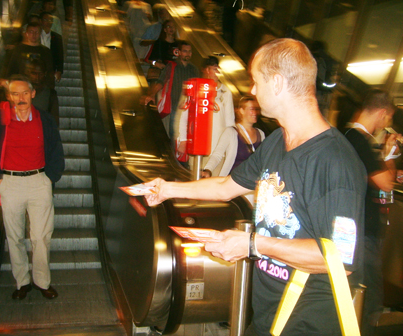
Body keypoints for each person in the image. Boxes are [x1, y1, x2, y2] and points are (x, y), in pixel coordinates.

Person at [144, 38, 366, 336]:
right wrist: (168, 189)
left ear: (276, 82)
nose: (253, 90)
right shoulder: (277, 141)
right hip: (268, 317)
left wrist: (251, 245)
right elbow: (226, 186)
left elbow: (341, 258)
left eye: (256, 81)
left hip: (307, 323)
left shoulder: (335, 162)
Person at [0, 75, 64, 300]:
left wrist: (50, 178)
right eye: (15, 94)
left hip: (39, 182)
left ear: (33, 94)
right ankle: (22, 282)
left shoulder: (45, 119)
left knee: (41, 236)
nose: (20, 98)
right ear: (9, 96)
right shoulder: (1, 120)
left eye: (25, 93)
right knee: (14, 236)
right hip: (10, 183)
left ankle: (42, 281)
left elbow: (57, 149)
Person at [344, 89, 403, 336]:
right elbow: (386, 183)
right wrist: (391, 155)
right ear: (381, 113)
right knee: (370, 298)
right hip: (364, 230)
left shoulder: (347, 136)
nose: (386, 126)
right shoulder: (360, 139)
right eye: (387, 119)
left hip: (352, 226)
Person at [177, 56, 235, 168]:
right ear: (207, 70)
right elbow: (184, 117)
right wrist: (183, 140)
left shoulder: (225, 92)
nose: (217, 72)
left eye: (218, 69)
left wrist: (228, 147)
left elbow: (229, 122)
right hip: (197, 147)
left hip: (218, 150)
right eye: (214, 69)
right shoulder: (195, 88)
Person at [144, 40, 199, 139]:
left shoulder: (194, 69)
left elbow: (198, 88)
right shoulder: (172, 66)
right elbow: (161, 82)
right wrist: (151, 95)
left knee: (187, 135)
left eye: (190, 51)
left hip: (189, 108)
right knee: (174, 135)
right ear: (179, 52)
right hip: (175, 106)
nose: (188, 54)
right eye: (185, 51)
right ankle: (174, 152)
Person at [202, 96, 264, 178]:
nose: (255, 112)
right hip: (233, 181)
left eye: (256, 109)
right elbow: (217, 154)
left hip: (252, 182)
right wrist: (208, 170)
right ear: (242, 111)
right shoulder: (231, 132)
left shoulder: (261, 134)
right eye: (251, 109)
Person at [0, 22, 55, 90]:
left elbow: (49, 71)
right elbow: (11, 68)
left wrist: (50, 87)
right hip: (21, 87)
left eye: (36, 32)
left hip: (40, 87)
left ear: (40, 34)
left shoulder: (46, 51)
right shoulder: (18, 49)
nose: (34, 34)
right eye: (31, 32)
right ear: (27, 33)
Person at [40, 11, 64, 83]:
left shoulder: (56, 37)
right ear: (40, 21)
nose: (48, 22)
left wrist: (59, 70)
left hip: (50, 68)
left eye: (50, 20)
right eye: (45, 20)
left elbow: (60, 54)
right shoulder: (36, 34)